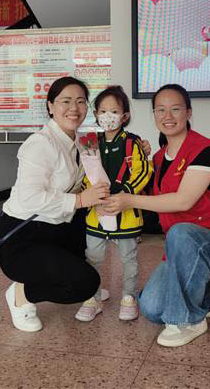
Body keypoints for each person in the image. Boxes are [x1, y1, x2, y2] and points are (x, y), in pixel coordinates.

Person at [102, 84, 210, 347]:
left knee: (182, 231)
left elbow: (183, 201)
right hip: (183, 250)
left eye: (175, 109)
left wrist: (128, 200)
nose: (168, 116)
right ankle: (209, 289)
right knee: (151, 308)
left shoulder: (205, 150)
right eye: (160, 110)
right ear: (154, 114)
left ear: (188, 112)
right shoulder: (158, 159)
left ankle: (187, 321)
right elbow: (149, 197)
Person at [0, 76, 109, 332]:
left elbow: (102, 168)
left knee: (87, 245)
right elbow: (30, 197)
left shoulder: (84, 141)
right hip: (24, 235)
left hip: (59, 228)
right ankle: (21, 294)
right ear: (50, 106)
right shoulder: (40, 144)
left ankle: (69, 271)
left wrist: (139, 148)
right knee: (84, 284)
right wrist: (80, 200)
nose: (74, 108)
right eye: (65, 101)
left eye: (81, 101)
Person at [74, 86, 152, 323]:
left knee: (129, 258)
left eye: (114, 111)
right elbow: (84, 174)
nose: (108, 116)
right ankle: (92, 298)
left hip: (126, 212)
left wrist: (125, 192)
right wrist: (93, 194)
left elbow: (143, 171)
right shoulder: (90, 142)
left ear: (124, 116)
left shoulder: (133, 142)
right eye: (103, 111)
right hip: (95, 213)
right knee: (93, 257)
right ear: (96, 114)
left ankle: (129, 297)